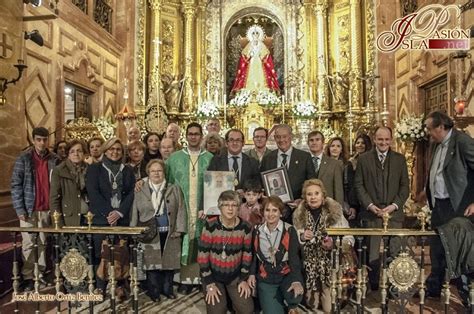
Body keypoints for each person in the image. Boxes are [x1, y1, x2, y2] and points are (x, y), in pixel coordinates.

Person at [424, 111, 474, 305]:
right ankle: (433, 288)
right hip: (439, 205)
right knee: (436, 248)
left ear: (440, 127)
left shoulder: (462, 141)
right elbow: (439, 172)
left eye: (430, 128)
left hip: (457, 207)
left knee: (458, 252)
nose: (428, 133)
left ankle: (468, 298)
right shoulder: (437, 145)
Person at [354, 126, 409, 291]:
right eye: (380, 139)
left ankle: (394, 287)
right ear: (375, 139)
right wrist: (371, 206)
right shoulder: (363, 159)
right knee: (372, 254)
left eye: (386, 139)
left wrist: (393, 206)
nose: (383, 142)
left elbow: (405, 187)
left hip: (394, 214)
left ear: (391, 140)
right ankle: (375, 287)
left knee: (395, 251)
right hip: (372, 214)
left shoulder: (400, 159)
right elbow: (359, 185)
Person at [166, 122, 213, 294]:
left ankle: (202, 279)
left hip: (203, 211)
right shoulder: (175, 158)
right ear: (186, 136)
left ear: (201, 136)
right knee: (183, 243)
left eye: (196, 134)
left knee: (203, 242)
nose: (193, 137)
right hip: (181, 209)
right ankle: (185, 280)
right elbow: (168, 184)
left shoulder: (210, 158)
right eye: (190, 134)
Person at [292, 179, 354, 312]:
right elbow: (292, 241)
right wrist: (302, 237)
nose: (313, 197)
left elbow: (349, 238)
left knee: (328, 309)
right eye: (309, 194)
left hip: (330, 267)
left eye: (316, 193)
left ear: (323, 195)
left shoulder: (335, 213)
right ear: (305, 197)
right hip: (308, 268)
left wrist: (334, 244)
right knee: (311, 305)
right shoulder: (299, 215)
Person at [11, 127, 59, 291]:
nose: (42, 143)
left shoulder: (54, 159)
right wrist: (19, 209)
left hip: (47, 209)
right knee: (29, 244)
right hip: (29, 209)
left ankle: (40, 274)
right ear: (33, 140)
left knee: (44, 243)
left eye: (45, 140)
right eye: (38, 139)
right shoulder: (23, 158)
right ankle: (29, 276)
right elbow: (16, 186)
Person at [130, 159, 186, 301]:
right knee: (151, 263)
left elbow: (181, 209)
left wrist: (179, 229)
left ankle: (167, 290)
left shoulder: (174, 188)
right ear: (148, 173)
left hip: (169, 231)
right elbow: (134, 211)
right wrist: (134, 230)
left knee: (169, 262)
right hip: (149, 232)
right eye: (153, 171)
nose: (156, 173)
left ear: (164, 172)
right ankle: (154, 292)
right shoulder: (140, 189)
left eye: (159, 170)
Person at [85, 137, 136, 295]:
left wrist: (119, 212)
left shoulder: (127, 170)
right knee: (102, 253)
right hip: (102, 218)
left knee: (120, 252)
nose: (115, 152)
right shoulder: (95, 169)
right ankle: (100, 285)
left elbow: (131, 193)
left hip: (121, 218)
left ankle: (120, 284)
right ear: (105, 150)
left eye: (118, 150)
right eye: (111, 149)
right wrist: (109, 213)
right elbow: (93, 193)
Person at [198, 190, 253, 314]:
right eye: (226, 205)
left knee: (247, 310)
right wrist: (209, 283)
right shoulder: (210, 225)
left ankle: (231, 299)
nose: (230, 209)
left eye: (234, 205)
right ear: (220, 207)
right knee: (217, 311)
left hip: (235, 276)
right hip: (213, 275)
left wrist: (243, 279)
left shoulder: (246, 227)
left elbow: (247, 254)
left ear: (238, 208)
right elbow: (202, 256)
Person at [248, 196, 304, 314]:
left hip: (285, 275)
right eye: (267, 210)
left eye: (275, 210)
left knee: (294, 296)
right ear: (263, 212)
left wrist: (296, 280)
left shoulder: (290, 230)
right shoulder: (257, 231)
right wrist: (252, 274)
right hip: (266, 277)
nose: (271, 214)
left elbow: (294, 258)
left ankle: (291, 305)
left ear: (281, 213)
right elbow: (254, 256)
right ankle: (278, 303)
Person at [260, 124, 315, 222]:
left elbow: (311, 182)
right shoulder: (268, 158)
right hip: (273, 210)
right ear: (275, 138)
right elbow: (262, 181)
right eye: (278, 137)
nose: (281, 140)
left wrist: (302, 200)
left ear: (290, 137)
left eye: (284, 136)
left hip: (298, 208)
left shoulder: (304, 157)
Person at [231, 24, 279, 94]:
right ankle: (248, 92)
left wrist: (261, 56)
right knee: (251, 77)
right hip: (252, 63)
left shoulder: (262, 45)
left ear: (259, 35)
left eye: (257, 33)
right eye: (253, 33)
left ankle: (262, 92)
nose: (255, 35)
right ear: (251, 35)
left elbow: (267, 57)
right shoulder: (249, 46)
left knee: (261, 77)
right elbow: (244, 57)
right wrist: (250, 55)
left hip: (259, 63)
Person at [50, 140, 89, 226]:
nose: (76, 154)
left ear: (84, 153)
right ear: (68, 154)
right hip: (69, 218)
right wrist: (57, 223)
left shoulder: (90, 169)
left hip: (88, 217)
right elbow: (54, 199)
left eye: (79, 151)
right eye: (72, 151)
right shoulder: (59, 171)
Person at [307, 131, 344, 207]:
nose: (314, 142)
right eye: (311, 140)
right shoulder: (303, 161)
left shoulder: (334, 164)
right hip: (307, 207)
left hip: (328, 207)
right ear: (308, 143)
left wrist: (338, 211)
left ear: (323, 143)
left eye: (317, 140)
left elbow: (338, 191)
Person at [344, 134, 372, 226]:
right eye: (358, 143)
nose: (360, 145)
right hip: (355, 200)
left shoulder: (372, 161)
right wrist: (352, 205)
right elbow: (351, 184)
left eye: (363, 143)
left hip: (370, 199)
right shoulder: (351, 162)